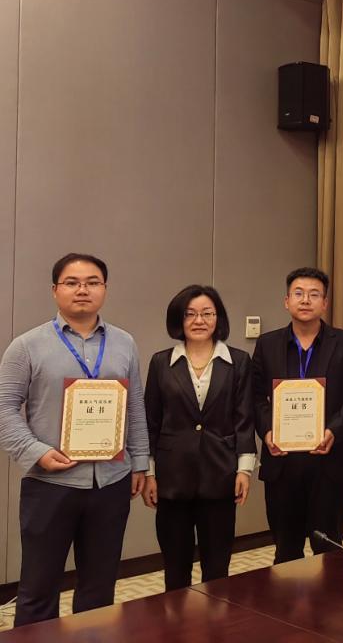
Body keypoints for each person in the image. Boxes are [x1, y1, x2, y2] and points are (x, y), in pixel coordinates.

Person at [0, 253, 148, 626]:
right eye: (72, 282)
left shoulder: (124, 343)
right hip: (50, 483)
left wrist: (140, 463)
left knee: (99, 589)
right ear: (55, 290)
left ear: (105, 289)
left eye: (92, 282)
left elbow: (135, 407)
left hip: (111, 482)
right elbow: (4, 408)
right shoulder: (27, 345)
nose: (83, 289)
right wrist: (35, 452)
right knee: (38, 590)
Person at [142, 285, 256, 590]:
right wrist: (149, 473)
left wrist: (245, 469)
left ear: (218, 318)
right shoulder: (161, 362)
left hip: (221, 474)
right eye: (190, 314)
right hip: (171, 478)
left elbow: (244, 419)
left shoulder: (239, 360)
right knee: (175, 569)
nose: (199, 320)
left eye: (207, 313)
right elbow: (151, 422)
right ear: (178, 319)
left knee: (217, 568)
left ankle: (215, 619)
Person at [252, 267, 343, 563]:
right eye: (298, 293)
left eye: (314, 295)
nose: (305, 300)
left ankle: (331, 597)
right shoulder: (267, 344)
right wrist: (268, 431)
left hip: (330, 461)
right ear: (286, 301)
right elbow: (256, 397)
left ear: (325, 303)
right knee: (286, 551)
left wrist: (333, 430)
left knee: (329, 551)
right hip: (282, 462)